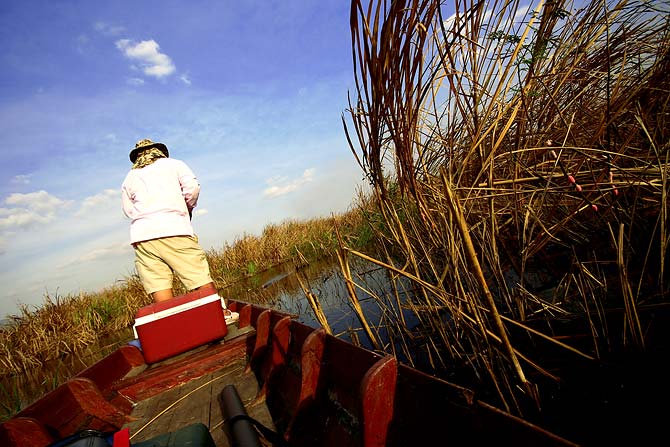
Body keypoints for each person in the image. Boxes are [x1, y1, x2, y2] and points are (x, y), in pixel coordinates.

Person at [121, 138, 238, 324]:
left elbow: (128, 210)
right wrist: (186, 208)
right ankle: (219, 315)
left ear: (138, 156)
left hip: (142, 237)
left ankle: (175, 328)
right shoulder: (174, 164)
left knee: (159, 284)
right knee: (196, 274)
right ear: (158, 151)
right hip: (173, 229)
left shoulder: (130, 177)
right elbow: (192, 188)